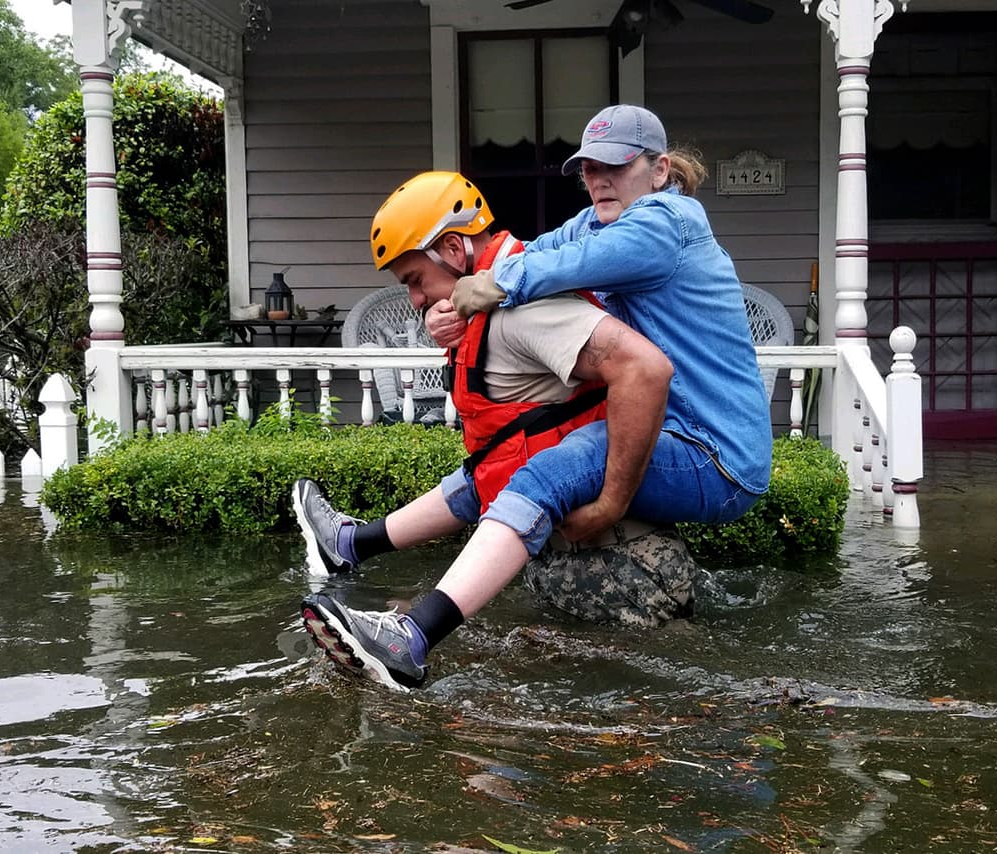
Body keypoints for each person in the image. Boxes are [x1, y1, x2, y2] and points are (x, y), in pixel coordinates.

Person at [302, 105, 774, 691]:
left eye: (617, 165)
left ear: (659, 170)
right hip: (675, 435)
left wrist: (609, 505)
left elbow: (563, 272)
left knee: (552, 467)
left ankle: (412, 638)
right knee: (518, 454)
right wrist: (452, 306)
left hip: (716, 455)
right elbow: (532, 251)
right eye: (588, 169)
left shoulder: (665, 221)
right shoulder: (598, 222)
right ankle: (352, 545)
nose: (599, 179)